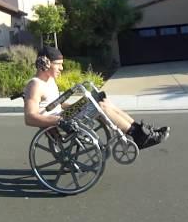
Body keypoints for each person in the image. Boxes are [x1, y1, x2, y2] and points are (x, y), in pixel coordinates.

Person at [23, 46, 170, 150]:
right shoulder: (35, 85)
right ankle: (138, 136)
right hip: (59, 121)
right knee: (100, 107)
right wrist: (60, 121)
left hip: (62, 115)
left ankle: (140, 130)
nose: (62, 68)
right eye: (58, 65)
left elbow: (57, 106)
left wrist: (78, 105)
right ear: (45, 63)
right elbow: (30, 118)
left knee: (102, 101)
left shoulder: (49, 81)